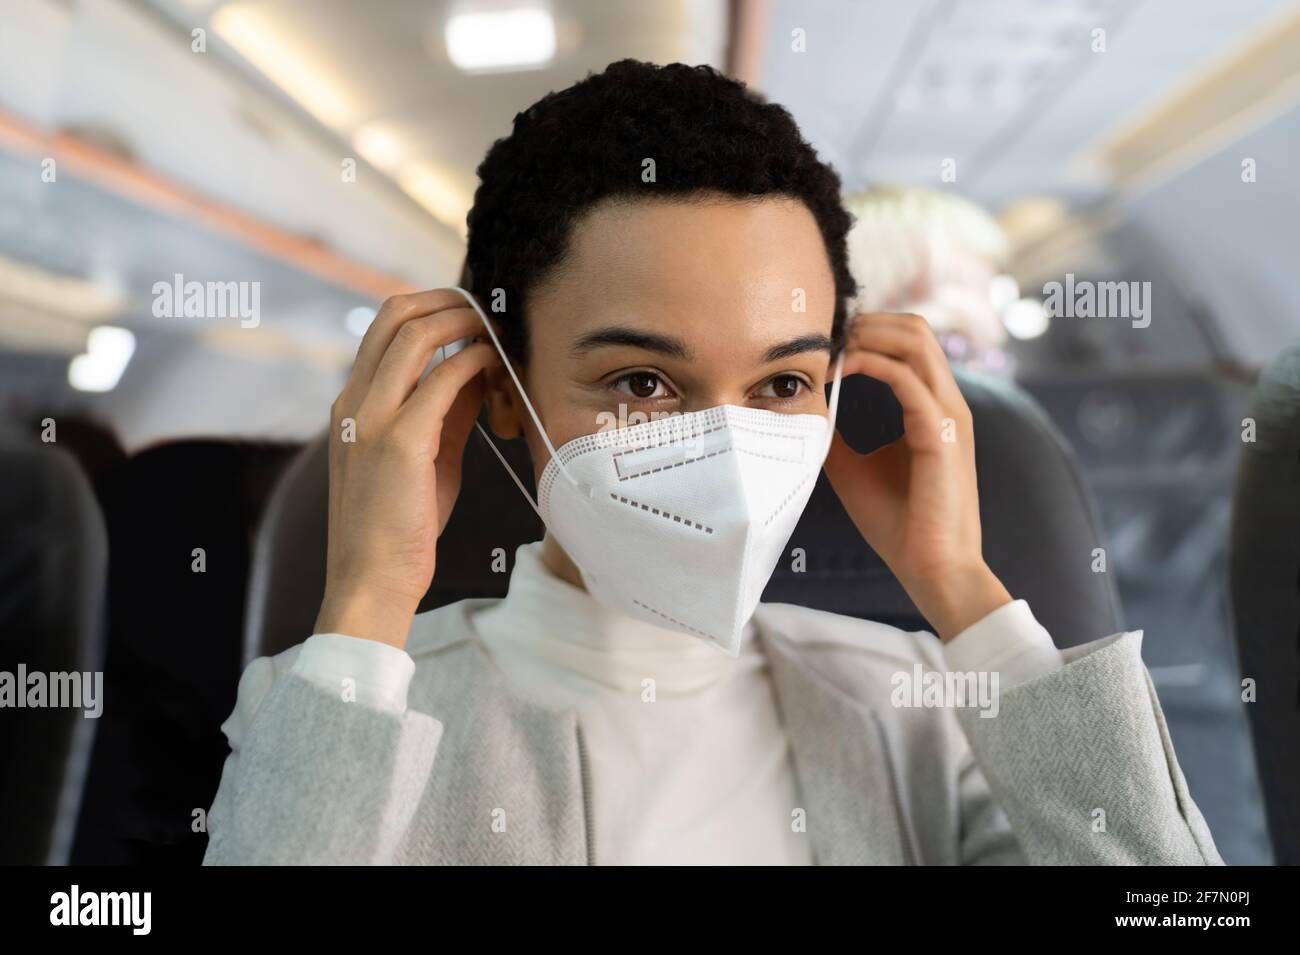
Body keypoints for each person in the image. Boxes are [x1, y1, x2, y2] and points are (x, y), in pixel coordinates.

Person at [203, 60, 1221, 865]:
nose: (730, 457)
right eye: (643, 382)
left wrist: (962, 592)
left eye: (781, 385)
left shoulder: (915, 707)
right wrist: (368, 600)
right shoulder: (355, 711)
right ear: (500, 395)